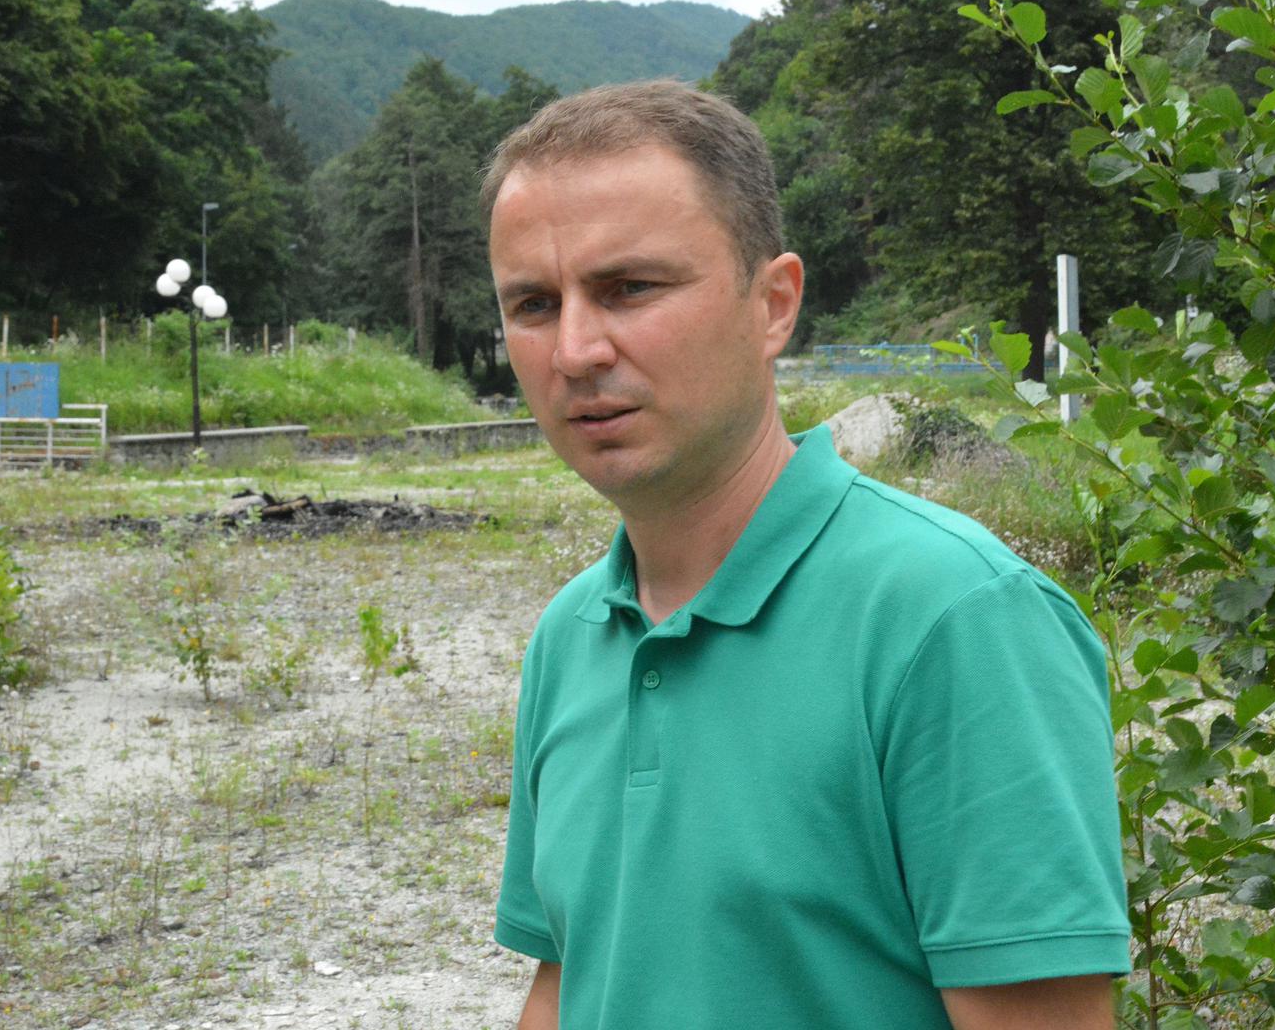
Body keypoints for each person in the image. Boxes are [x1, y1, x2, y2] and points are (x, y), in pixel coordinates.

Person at [482, 80, 1129, 1030]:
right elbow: (568, 980)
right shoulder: (572, 634)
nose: (575, 350)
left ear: (773, 304)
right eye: (535, 304)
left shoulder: (954, 619)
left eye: (630, 288)